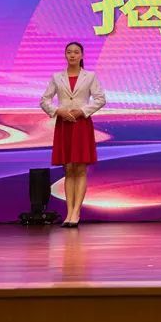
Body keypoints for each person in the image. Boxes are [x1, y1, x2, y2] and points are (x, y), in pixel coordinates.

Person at [39, 42, 106, 228]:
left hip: (81, 124)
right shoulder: (57, 77)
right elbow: (44, 100)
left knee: (80, 168)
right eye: (69, 52)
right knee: (68, 169)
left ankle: (76, 212)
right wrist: (57, 111)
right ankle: (68, 212)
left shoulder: (90, 76)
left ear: (82, 55)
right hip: (64, 125)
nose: (72, 55)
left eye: (76, 52)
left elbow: (100, 99)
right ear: (65, 55)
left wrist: (83, 111)